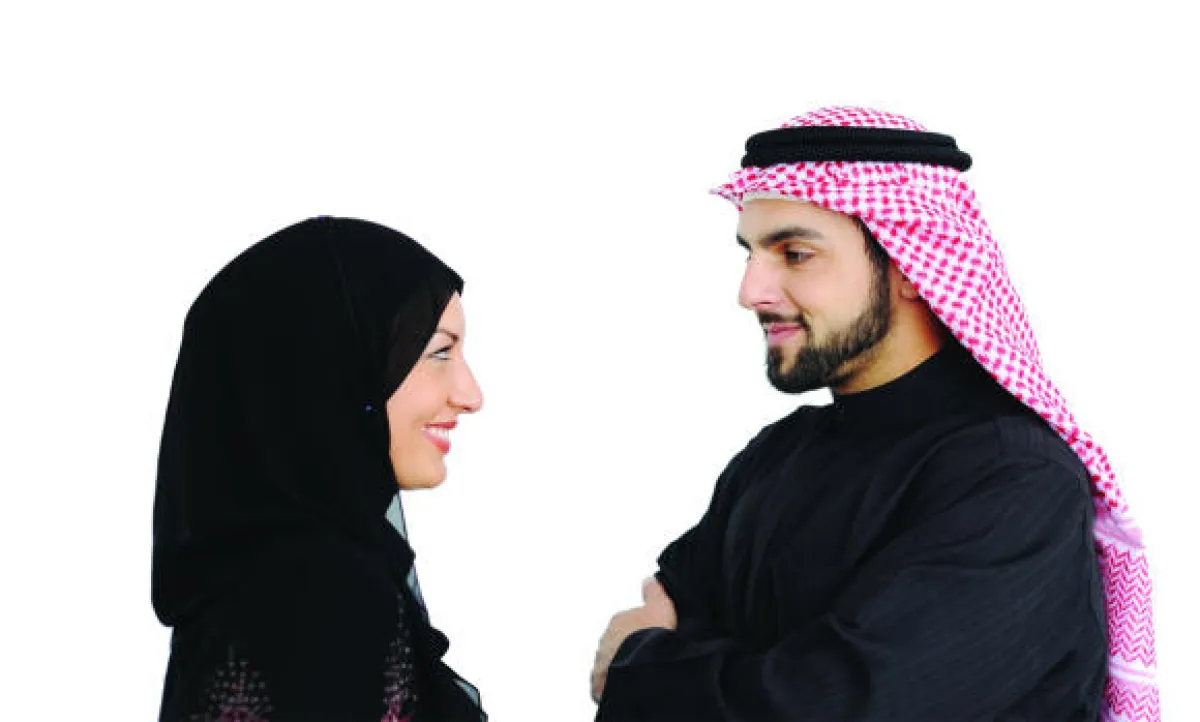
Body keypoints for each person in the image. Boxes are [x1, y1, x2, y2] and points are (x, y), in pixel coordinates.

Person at [590, 107, 1158, 721]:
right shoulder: (774, 455)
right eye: (751, 254)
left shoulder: (1015, 478)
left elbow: (837, 707)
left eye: (795, 254)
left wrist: (644, 669)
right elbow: (675, 611)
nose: (751, 292)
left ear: (911, 266)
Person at [152, 217, 487, 721]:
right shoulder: (324, 599)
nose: (471, 395)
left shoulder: (254, 590)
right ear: (332, 369)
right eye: (439, 351)